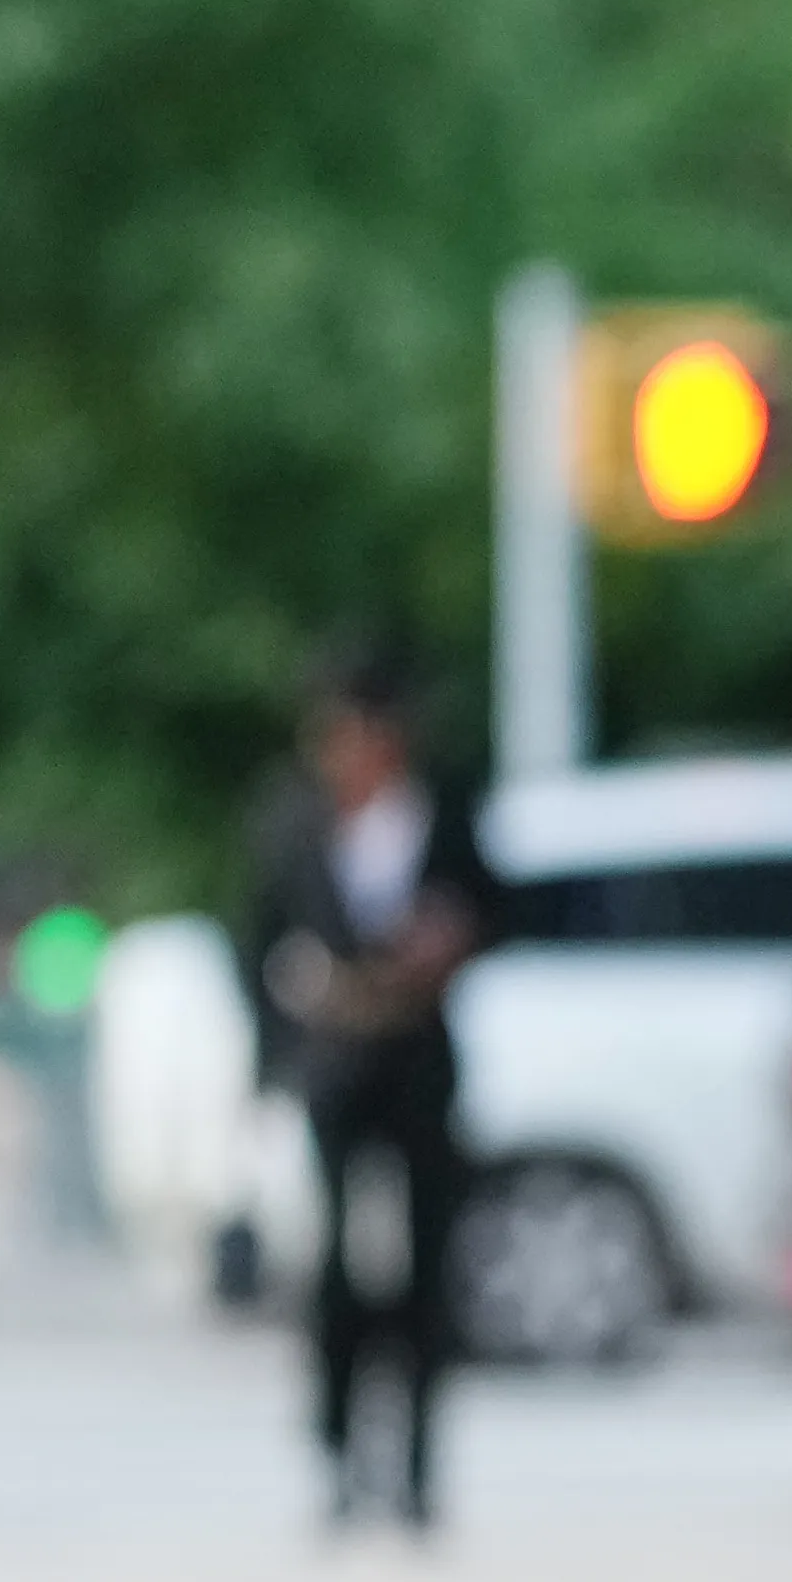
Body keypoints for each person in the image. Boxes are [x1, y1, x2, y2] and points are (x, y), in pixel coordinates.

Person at [242, 648, 498, 1534]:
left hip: (418, 1052)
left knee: (428, 1265)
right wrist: (275, 1057)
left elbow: (495, 909)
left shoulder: (445, 810)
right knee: (337, 1271)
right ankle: (338, 1455)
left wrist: (450, 940)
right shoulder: (296, 822)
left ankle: (421, 1466)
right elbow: (261, 945)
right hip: (337, 1056)